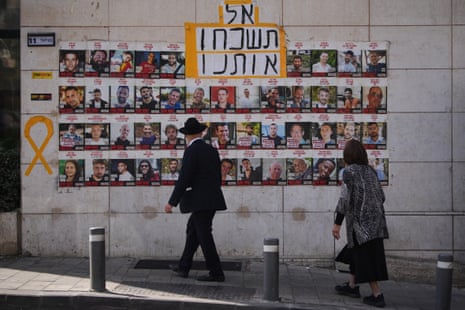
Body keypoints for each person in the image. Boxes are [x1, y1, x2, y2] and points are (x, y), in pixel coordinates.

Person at [164, 117, 227, 282]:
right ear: (200, 132)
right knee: (193, 230)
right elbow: (216, 177)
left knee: (204, 235)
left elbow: (185, 178)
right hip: (212, 198)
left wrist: (172, 202)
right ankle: (184, 266)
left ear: (187, 135)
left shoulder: (191, 151)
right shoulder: (211, 150)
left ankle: (216, 272)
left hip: (200, 201)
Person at [332, 139, 389, 308]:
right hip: (377, 223)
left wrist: (337, 223)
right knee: (356, 253)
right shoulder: (370, 171)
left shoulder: (349, 172)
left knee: (366, 258)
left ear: (348, 155)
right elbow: (382, 197)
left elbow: (344, 200)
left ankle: (377, 295)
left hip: (361, 225)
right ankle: (352, 286)